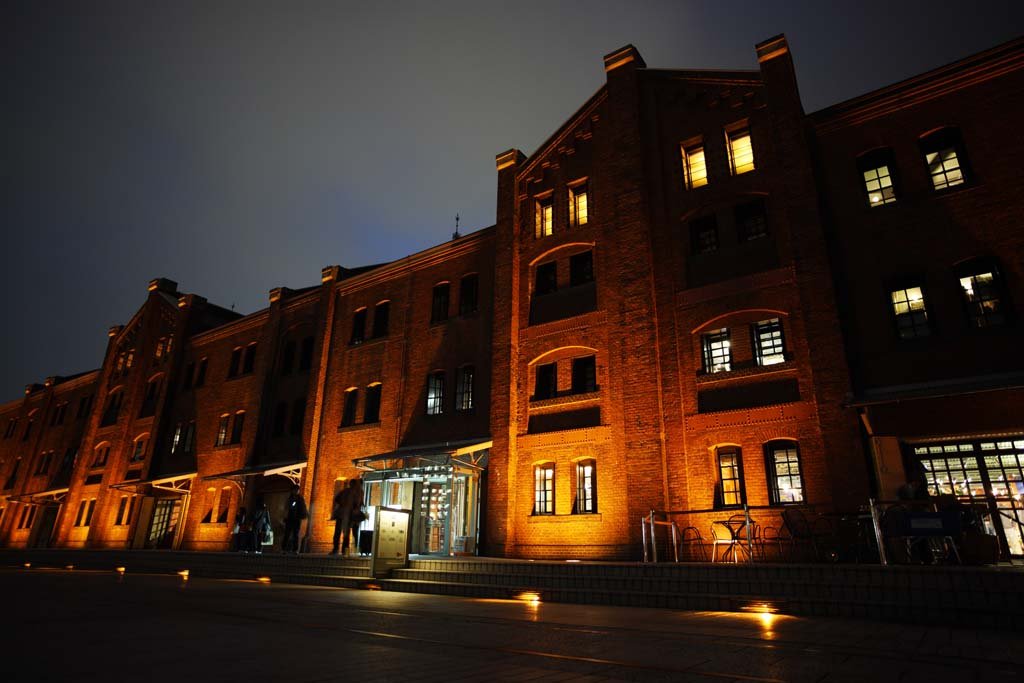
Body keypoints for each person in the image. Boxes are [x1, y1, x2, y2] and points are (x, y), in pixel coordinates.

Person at [331, 479, 362, 555]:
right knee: (345, 533)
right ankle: (344, 550)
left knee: (341, 533)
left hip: (343, 514)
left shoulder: (346, 491)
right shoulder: (356, 493)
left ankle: (338, 549)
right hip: (347, 515)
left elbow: (337, 499)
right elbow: (357, 504)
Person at [282, 486, 307, 554]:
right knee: (287, 534)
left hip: (296, 519)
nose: (296, 491)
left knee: (295, 534)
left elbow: (303, 507)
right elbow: (288, 507)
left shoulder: (300, 498)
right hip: (290, 518)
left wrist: (303, 515)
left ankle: (295, 550)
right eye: (295, 490)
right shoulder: (290, 498)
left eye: (297, 490)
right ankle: (284, 549)